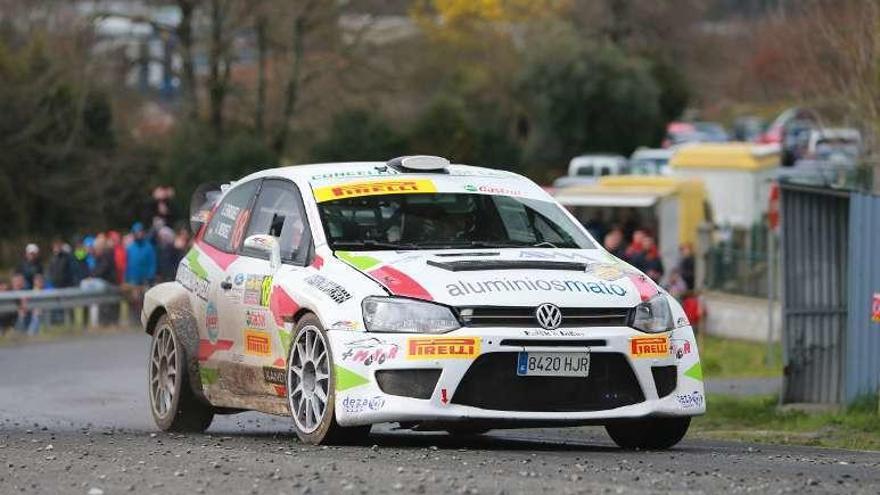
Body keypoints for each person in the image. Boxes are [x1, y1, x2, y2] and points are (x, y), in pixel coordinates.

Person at [125, 222, 157, 323]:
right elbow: (127, 264)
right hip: (133, 280)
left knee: (145, 300)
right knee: (134, 300)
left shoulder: (149, 247)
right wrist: (126, 277)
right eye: (136, 232)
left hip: (145, 280)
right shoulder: (130, 248)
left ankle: (144, 320)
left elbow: (152, 263)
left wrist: (150, 276)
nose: (139, 234)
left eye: (140, 232)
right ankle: (133, 320)